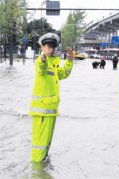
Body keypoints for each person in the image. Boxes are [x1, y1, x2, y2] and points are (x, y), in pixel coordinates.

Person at [29, 32, 74, 162]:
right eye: (48, 46)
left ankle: (42, 169)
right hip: (42, 110)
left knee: (46, 144)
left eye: (53, 46)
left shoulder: (54, 64)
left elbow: (64, 74)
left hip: (51, 110)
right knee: (39, 145)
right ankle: (36, 170)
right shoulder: (40, 61)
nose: (51, 49)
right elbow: (40, 68)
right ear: (41, 47)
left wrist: (70, 60)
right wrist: (43, 60)